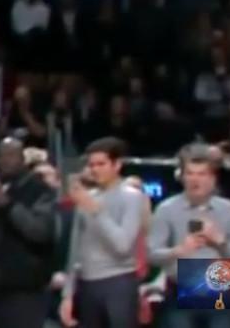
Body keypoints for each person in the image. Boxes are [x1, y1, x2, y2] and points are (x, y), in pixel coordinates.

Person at [147, 145, 230, 328]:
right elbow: (152, 254)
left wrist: (220, 242)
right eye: (190, 173)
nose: (195, 179)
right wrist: (178, 251)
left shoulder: (228, 210)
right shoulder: (166, 209)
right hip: (180, 292)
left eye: (202, 174)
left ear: (212, 178)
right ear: (182, 177)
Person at [0, 138, 57, 328]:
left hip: (24, 290)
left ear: (22, 158)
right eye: (0, 156)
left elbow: (40, 231)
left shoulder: (39, 190)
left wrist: (5, 203)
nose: (4, 160)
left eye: (10, 155)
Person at [61, 137, 144, 328]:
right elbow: (75, 249)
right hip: (87, 284)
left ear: (116, 165)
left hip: (119, 282)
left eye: (101, 164)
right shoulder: (86, 198)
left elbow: (123, 246)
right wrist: (68, 294)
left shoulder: (132, 197)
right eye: (91, 165)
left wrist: (97, 212)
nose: (95, 169)